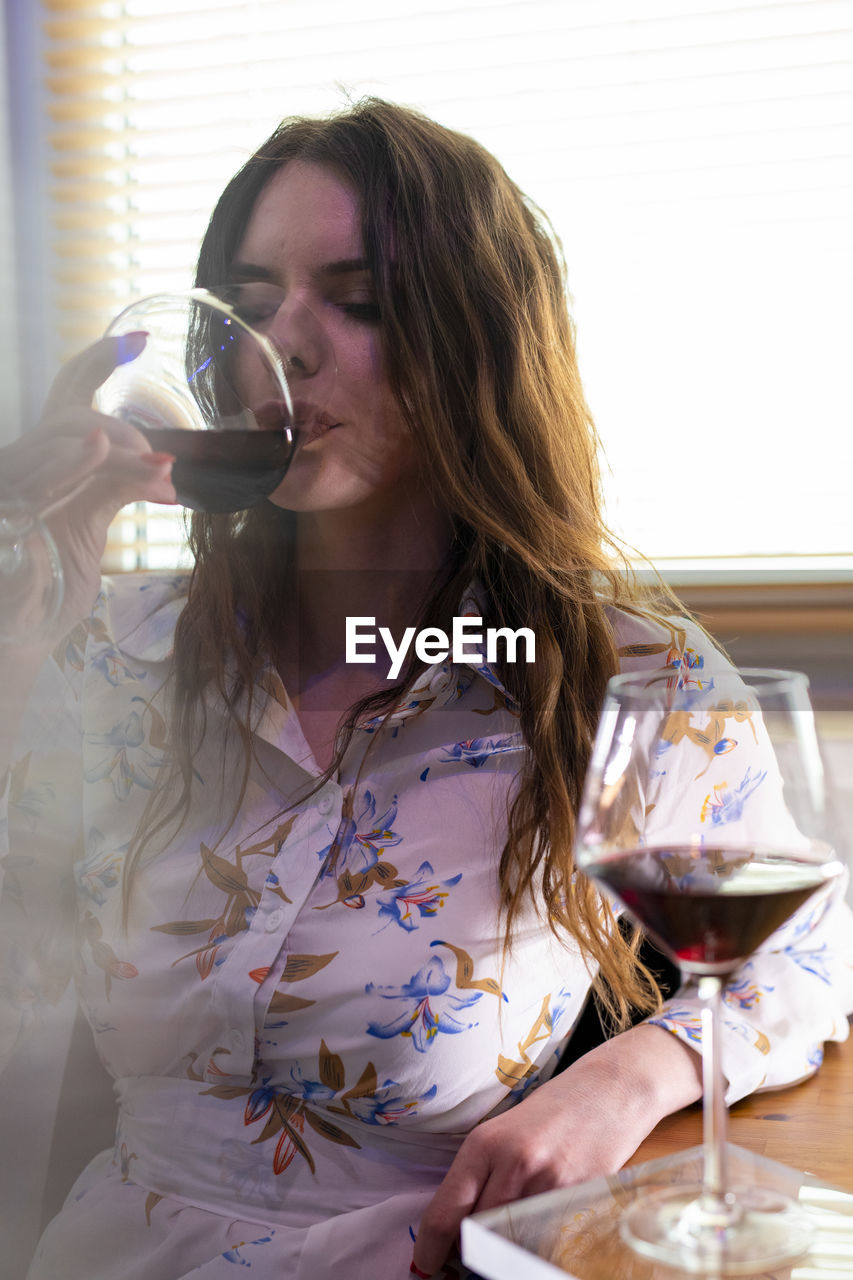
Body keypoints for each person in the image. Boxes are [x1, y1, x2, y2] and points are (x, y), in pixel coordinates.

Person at [1, 99, 851, 1280]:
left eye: (355, 300)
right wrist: (18, 616)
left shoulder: (619, 678)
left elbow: (807, 948)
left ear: (474, 339)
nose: (280, 347)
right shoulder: (110, 645)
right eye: (248, 306)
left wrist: (624, 1080)